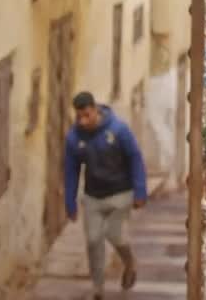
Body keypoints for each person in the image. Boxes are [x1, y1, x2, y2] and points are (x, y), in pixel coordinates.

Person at [64, 90, 149, 299]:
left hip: (120, 193)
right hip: (93, 196)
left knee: (114, 234)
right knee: (93, 240)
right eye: (79, 117)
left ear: (95, 110)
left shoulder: (118, 130)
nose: (83, 121)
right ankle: (98, 288)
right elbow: (71, 170)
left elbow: (135, 158)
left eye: (87, 115)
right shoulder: (75, 138)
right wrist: (70, 202)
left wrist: (140, 191)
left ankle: (130, 263)